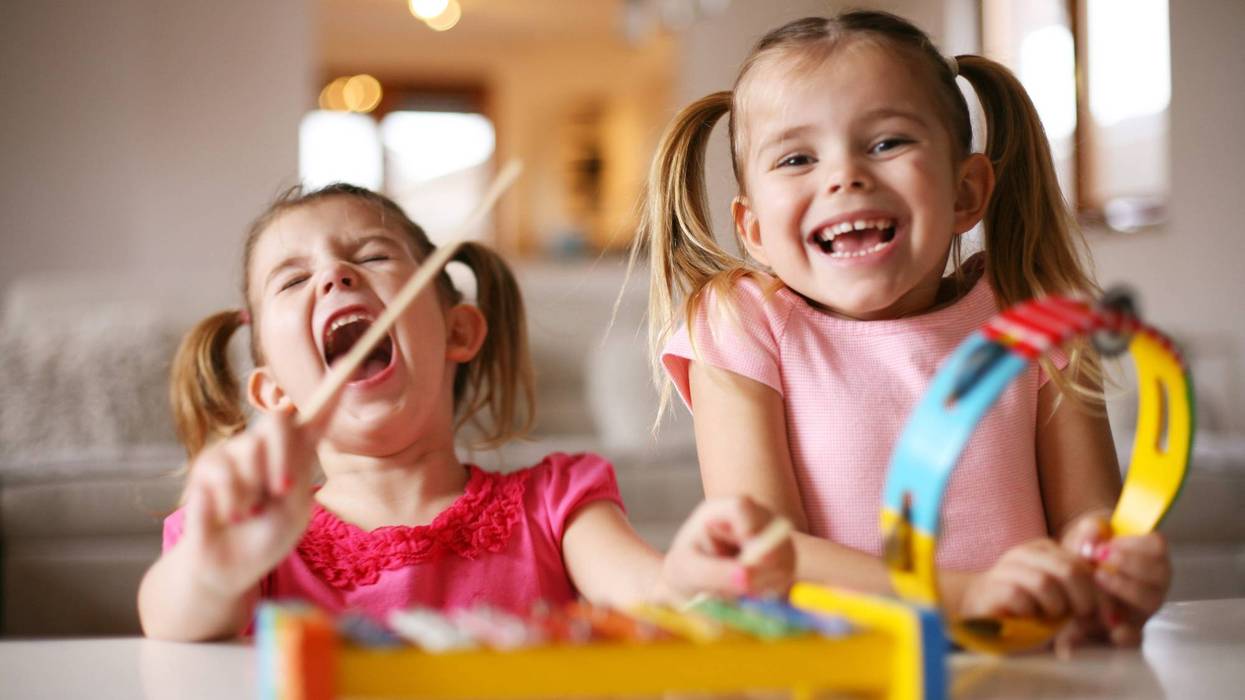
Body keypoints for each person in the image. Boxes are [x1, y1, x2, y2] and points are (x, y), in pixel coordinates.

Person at [633, 10, 1168, 646]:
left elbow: (1089, 513)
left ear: (966, 193)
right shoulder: (741, 323)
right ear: (754, 232)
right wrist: (964, 595)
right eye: (798, 157)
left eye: (887, 142)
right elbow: (766, 554)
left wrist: (1108, 561)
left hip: (1029, 666)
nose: (845, 176)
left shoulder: (1032, 313)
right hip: (843, 674)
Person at [137, 183, 793, 642]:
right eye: (292, 278)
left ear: (457, 332)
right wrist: (212, 567)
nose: (335, 275)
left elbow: (649, 590)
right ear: (274, 392)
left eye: (370, 256)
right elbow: (170, 619)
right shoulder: (245, 536)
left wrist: (691, 575)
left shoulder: (557, 502)